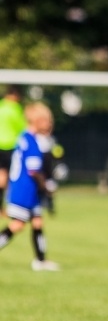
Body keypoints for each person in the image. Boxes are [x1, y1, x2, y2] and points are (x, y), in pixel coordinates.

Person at [0, 102, 60, 271]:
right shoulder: (32, 142)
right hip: (25, 189)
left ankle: (40, 261)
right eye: (47, 120)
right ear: (37, 120)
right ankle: (40, 261)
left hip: (28, 190)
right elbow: (34, 170)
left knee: (37, 222)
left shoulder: (23, 137)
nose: (49, 124)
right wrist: (46, 185)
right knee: (17, 224)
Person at [0, 85, 26, 215]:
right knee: (13, 177)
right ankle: (13, 206)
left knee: (1, 176)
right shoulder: (15, 109)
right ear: (15, 95)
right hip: (11, 146)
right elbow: (23, 129)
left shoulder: (1, 106)